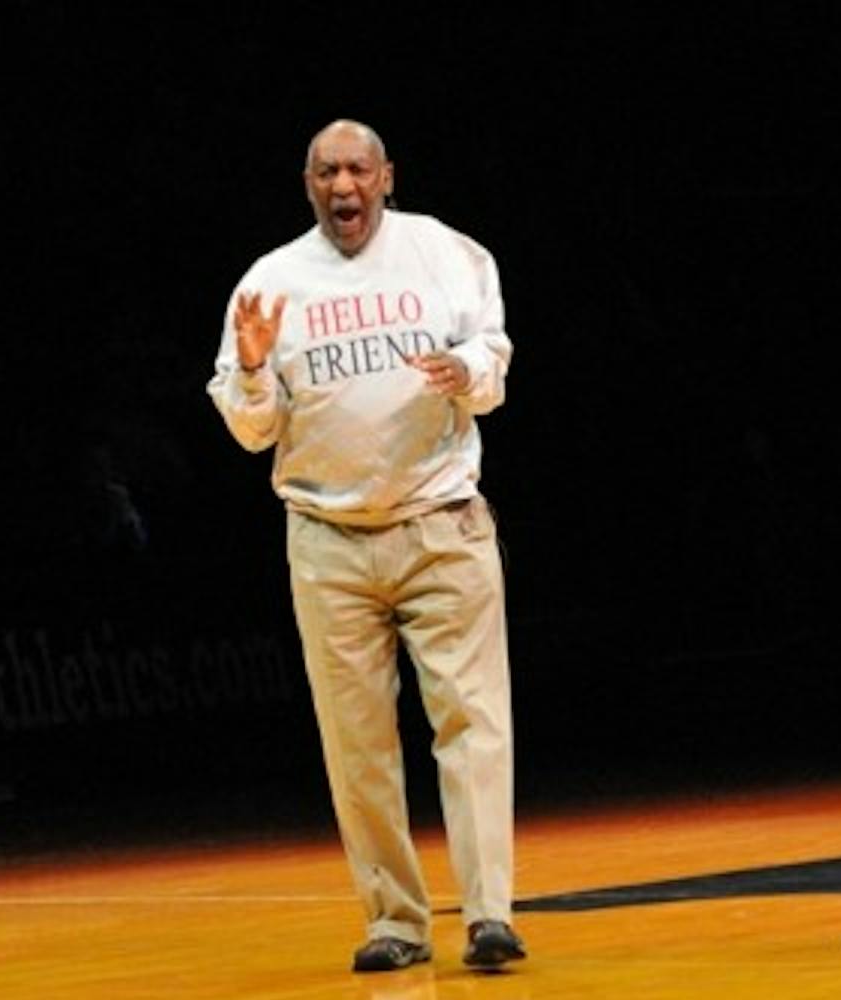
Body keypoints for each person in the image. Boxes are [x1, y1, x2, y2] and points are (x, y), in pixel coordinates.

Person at [207, 119, 524, 973]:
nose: (342, 186)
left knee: (474, 723)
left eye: (356, 169)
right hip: (328, 538)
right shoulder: (271, 283)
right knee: (357, 742)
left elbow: (493, 353)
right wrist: (247, 370)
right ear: (308, 183)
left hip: (441, 521)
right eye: (325, 172)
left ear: (386, 176)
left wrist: (468, 370)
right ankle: (395, 921)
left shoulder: (446, 253)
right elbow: (249, 429)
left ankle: (489, 913)